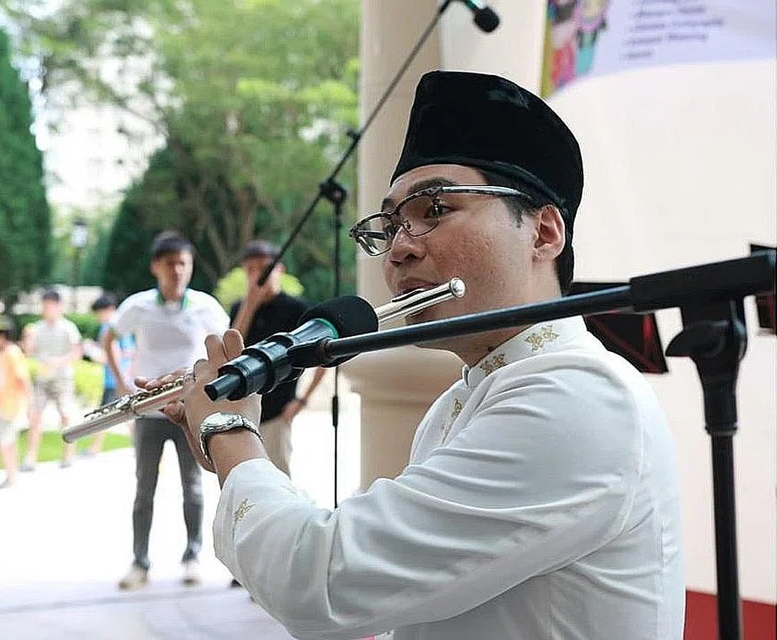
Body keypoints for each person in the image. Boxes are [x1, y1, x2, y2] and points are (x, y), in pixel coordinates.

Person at [165, 71, 685, 639]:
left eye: (435, 209)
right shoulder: (465, 398)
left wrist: (227, 429)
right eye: (390, 225)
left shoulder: (580, 397)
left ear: (542, 233)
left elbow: (319, 581)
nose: (400, 249)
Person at [103, 231, 229, 590]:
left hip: (189, 411)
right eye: (170, 263)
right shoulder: (139, 306)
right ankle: (140, 562)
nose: (177, 270)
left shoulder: (204, 305)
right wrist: (123, 383)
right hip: (148, 412)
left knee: (193, 486)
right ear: (156, 267)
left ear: (190, 267)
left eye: (183, 263)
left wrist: (210, 387)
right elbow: (109, 338)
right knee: (145, 488)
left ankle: (192, 556)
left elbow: (228, 343)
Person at [229, 240, 326, 479]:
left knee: (278, 477)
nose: (257, 275)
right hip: (244, 410)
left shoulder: (296, 309)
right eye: (250, 269)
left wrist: (301, 401)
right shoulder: (239, 309)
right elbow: (231, 351)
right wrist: (249, 304)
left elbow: (324, 355)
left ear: (278, 270)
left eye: (263, 268)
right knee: (245, 478)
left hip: (278, 411)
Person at [22, 288, 83, 471]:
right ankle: (30, 457)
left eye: (49, 305)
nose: (46, 308)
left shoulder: (68, 327)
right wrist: (27, 338)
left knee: (65, 416)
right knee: (35, 416)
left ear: (58, 306)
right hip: (43, 377)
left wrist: (59, 362)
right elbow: (29, 351)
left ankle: (68, 455)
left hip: (63, 378)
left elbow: (76, 353)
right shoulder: (37, 328)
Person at [84, 294, 135, 457]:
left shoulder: (109, 328)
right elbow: (130, 352)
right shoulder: (122, 327)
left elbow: (113, 355)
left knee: (109, 414)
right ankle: (96, 446)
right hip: (121, 377)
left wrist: (91, 351)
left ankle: (95, 447)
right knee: (118, 414)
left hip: (115, 379)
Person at [0, 326, 31, 489]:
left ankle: (11, 475)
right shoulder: (2, 355)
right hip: (4, 406)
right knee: (7, 441)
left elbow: (23, 379)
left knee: (3, 441)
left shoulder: (12, 353)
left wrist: (28, 404)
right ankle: (12, 474)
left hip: (11, 406)